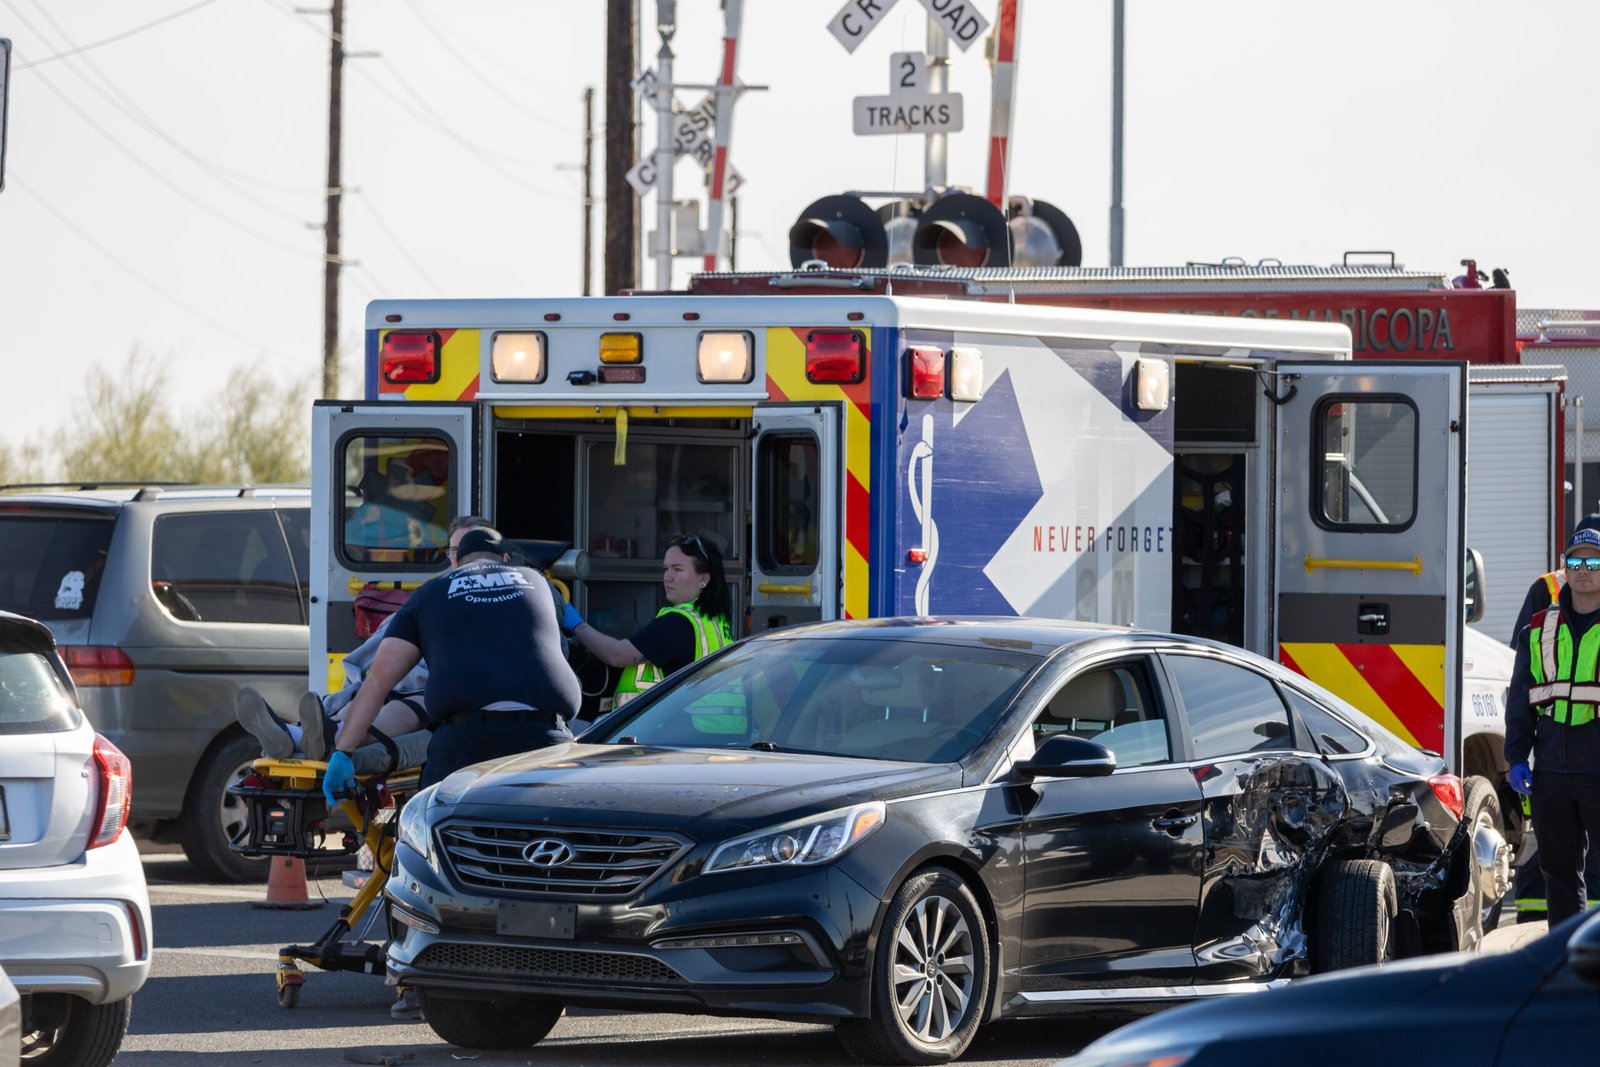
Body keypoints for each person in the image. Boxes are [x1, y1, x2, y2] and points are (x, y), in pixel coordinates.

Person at [323, 524, 579, 799]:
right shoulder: (538, 582)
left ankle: (320, 733)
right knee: (547, 832)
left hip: (466, 742)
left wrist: (343, 753)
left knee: (442, 831)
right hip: (547, 734)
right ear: (505, 559)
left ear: (456, 562)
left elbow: (378, 681)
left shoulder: (431, 592)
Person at [236, 516, 494, 767]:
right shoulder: (431, 596)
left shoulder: (497, 598)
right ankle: (302, 735)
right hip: (396, 682)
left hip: (434, 692)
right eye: (453, 550)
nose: (460, 557)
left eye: (468, 549)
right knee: (361, 700)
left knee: (408, 706)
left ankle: (314, 736)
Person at [1506, 513, 1600, 923]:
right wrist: (1515, 758)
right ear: (1565, 567)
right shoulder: (1540, 628)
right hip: (1552, 770)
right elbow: (1523, 698)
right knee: (1559, 875)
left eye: (1593, 562)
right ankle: (1566, 965)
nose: (1583, 571)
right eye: (1575, 562)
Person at [563, 533, 733, 718]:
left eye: (677, 569)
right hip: (714, 732)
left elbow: (617, 655)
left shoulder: (679, 622)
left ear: (705, 578)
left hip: (677, 734)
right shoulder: (715, 620)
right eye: (666, 569)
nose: (668, 577)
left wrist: (577, 625)